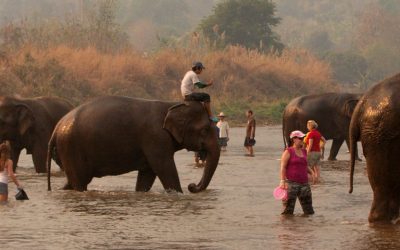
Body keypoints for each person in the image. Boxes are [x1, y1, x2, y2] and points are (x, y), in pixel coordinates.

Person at [279, 130, 314, 215]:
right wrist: (282, 181)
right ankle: (288, 227)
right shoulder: (288, 151)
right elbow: (283, 167)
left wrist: (313, 174)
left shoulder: (304, 151)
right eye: (300, 138)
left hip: (304, 184)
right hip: (291, 184)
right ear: (294, 139)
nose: (302, 140)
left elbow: (305, 165)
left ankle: (308, 227)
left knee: (309, 211)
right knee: (288, 211)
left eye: (303, 138)